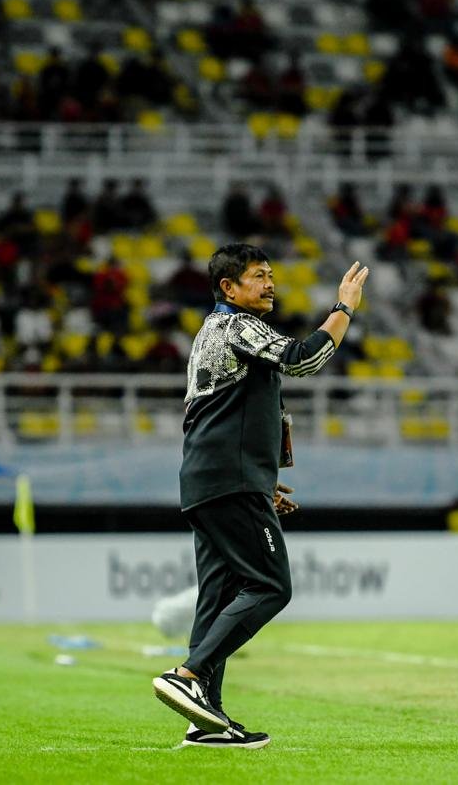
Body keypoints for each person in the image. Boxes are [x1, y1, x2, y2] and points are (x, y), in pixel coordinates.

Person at [152, 245, 370, 748]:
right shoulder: (237, 326)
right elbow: (304, 358)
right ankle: (188, 677)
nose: (270, 283)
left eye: (272, 274)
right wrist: (344, 308)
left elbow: (217, 413)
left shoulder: (211, 334)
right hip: (229, 481)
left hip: (209, 481)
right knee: (272, 586)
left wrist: (262, 477)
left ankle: (204, 717)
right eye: (258, 276)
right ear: (229, 287)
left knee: (218, 598)